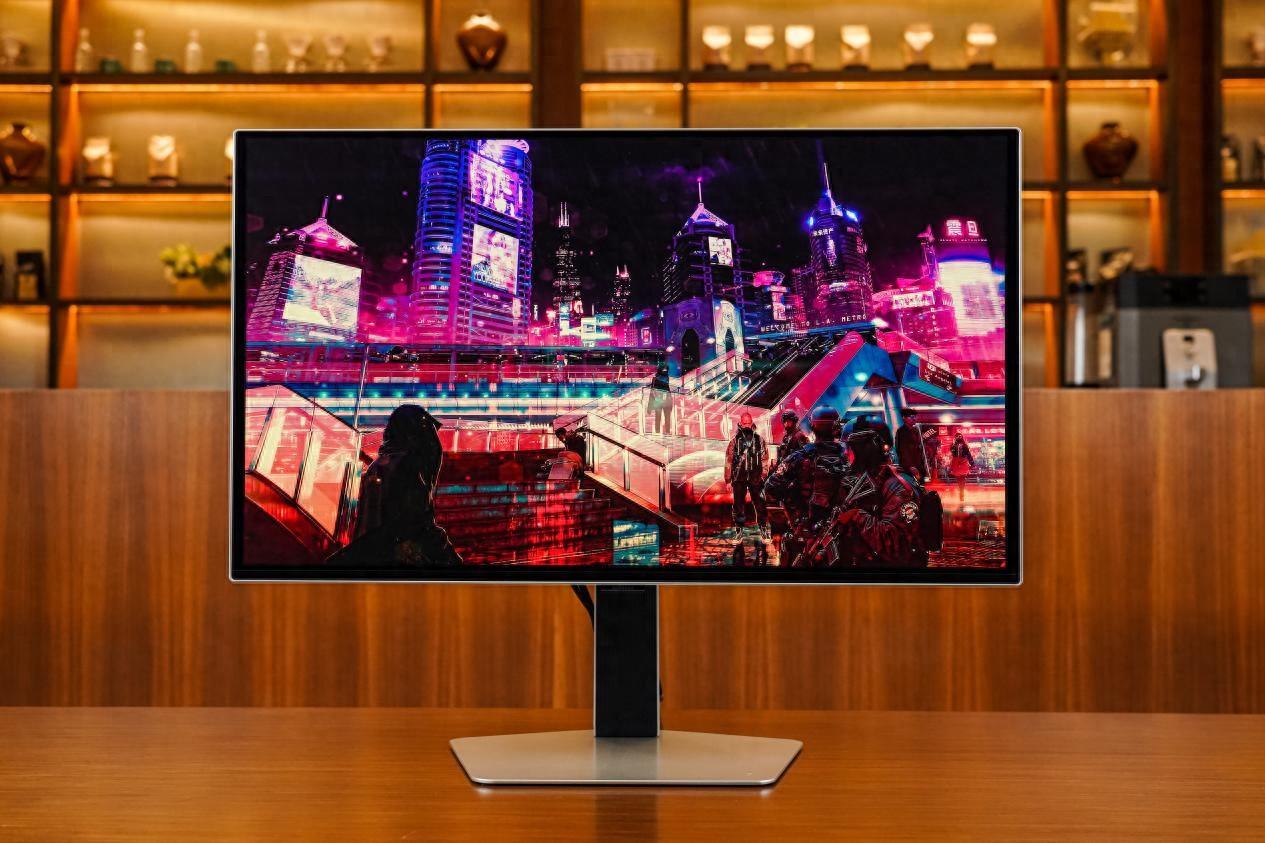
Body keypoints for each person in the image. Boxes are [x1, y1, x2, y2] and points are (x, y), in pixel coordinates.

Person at [329, 404, 462, 568]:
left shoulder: (380, 464)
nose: (433, 442)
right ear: (416, 435)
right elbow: (416, 520)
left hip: (376, 550)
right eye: (428, 434)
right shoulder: (407, 465)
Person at [830, 429, 928, 568]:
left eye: (850, 451)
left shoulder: (896, 486)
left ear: (863, 453)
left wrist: (856, 516)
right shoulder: (872, 480)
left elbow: (896, 543)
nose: (846, 455)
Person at [765, 405, 849, 564]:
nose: (787, 423)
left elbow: (771, 486)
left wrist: (794, 502)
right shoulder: (848, 457)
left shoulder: (800, 455)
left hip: (807, 529)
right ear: (837, 428)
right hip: (841, 531)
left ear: (812, 426)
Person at [725, 412, 769, 536]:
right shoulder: (734, 441)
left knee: (760, 504)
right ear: (740, 423)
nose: (746, 425)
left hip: (756, 477)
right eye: (744, 423)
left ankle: (763, 528)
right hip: (739, 477)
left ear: (752, 423)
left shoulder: (759, 440)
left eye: (748, 423)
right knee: (738, 505)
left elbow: (765, 458)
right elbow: (728, 460)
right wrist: (728, 480)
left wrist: (763, 475)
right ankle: (739, 530)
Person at [895, 409, 926, 482]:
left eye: (915, 417)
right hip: (909, 467)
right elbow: (902, 450)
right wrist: (910, 466)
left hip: (918, 465)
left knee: (919, 485)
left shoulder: (915, 430)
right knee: (911, 485)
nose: (914, 419)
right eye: (911, 417)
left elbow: (917, 448)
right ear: (904, 418)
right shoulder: (901, 431)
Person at [646, 364, 674, 434]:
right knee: (658, 418)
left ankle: (667, 432)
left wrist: (670, 403)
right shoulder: (656, 378)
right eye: (663, 369)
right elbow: (652, 392)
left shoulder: (666, 378)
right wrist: (649, 407)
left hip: (665, 401)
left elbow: (668, 390)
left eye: (666, 370)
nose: (665, 371)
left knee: (666, 418)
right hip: (658, 401)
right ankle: (658, 432)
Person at [949, 431, 975, 501]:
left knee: (959, 478)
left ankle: (961, 491)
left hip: (956, 462)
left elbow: (952, 452)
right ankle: (961, 491)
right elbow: (968, 455)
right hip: (962, 462)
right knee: (962, 478)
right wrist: (972, 463)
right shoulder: (964, 445)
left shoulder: (953, 445)